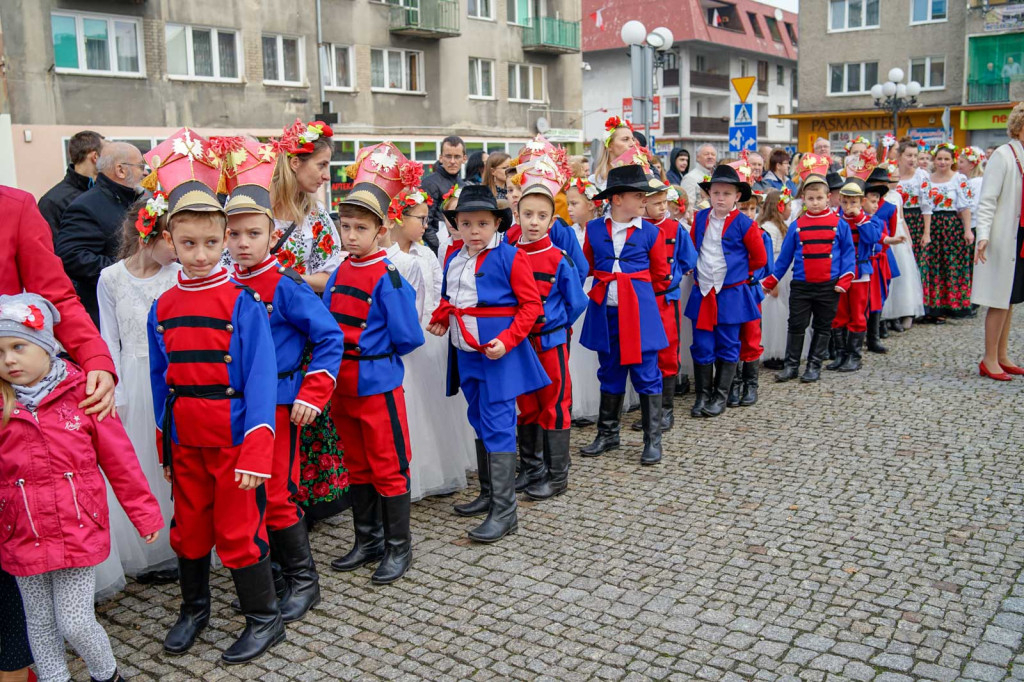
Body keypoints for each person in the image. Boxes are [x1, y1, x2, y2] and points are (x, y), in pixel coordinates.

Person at [146, 128, 284, 664]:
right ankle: (194, 609)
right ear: (170, 241)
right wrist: (166, 448)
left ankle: (264, 618)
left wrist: (256, 450)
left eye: (211, 242)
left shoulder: (242, 302)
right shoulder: (161, 307)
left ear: (225, 238)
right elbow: (162, 383)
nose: (201, 254)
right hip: (188, 444)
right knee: (190, 529)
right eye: (188, 244)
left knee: (237, 531)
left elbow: (260, 379)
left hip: (232, 443)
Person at [0, 292, 163, 682]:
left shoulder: (83, 395)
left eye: (18, 347)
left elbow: (120, 461)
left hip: (77, 531)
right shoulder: (4, 406)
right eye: (0, 351)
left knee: (74, 622)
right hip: (22, 534)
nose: (9, 360)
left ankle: (107, 675)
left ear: (47, 346)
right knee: (38, 624)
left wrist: (144, 513)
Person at [221, 135, 345, 621]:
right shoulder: (226, 286)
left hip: (280, 404)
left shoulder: (286, 286)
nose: (243, 244)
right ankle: (269, 576)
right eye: (234, 235)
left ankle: (303, 581)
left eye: (253, 234)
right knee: (246, 493)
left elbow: (330, 338)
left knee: (277, 493)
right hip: (239, 408)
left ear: (272, 235)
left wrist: (314, 393)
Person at [0, 185, 117, 682]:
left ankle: (17, 666)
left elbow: (57, 295)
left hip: (11, 398)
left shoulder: (14, 207)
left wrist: (94, 359)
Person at [322, 143, 425, 583]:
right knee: (357, 465)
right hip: (342, 384)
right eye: (345, 227)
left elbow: (408, 336)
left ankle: (399, 548)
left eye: (360, 228)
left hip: (377, 383)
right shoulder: (342, 269)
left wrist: (371, 353)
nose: (350, 236)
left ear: (381, 231)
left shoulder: (389, 276)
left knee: (388, 464)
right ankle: (368, 539)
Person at [428, 185, 548, 540]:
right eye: (466, 224)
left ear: (497, 223)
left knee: (497, 422)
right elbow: (451, 298)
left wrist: (508, 339)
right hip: (465, 352)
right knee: (478, 418)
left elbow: (531, 307)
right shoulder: (453, 257)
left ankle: (505, 512)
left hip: (498, 355)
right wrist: (440, 317)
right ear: (456, 225)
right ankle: (488, 493)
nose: (474, 231)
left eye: (482, 223)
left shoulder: (511, 257)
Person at [95, 194, 180, 598]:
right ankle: (147, 549)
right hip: (131, 374)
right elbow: (107, 338)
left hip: (170, 376)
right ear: (153, 236)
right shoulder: (111, 278)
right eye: (175, 241)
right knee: (138, 460)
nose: (182, 250)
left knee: (170, 459)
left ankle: (180, 542)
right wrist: (117, 388)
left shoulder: (177, 276)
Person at [264, 119, 347, 524]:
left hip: (303, 333)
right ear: (295, 163)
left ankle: (302, 505)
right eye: (321, 164)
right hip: (261, 332)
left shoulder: (315, 219)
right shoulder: (256, 213)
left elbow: (332, 274)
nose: (325, 174)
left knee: (305, 418)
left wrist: (287, 281)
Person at [383, 179, 477, 501]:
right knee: (411, 407)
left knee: (436, 405)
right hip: (402, 339)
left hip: (430, 336)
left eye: (427, 218)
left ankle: (440, 466)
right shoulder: (387, 256)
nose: (426, 224)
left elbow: (438, 292)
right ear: (399, 218)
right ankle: (412, 470)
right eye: (420, 219)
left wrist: (438, 319)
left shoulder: (427, 253)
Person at [578, 161, 670, 462]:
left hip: (640, 315)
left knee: (646, 372)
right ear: (617, 199)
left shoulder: (650, 234)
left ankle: (652, 439)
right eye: (638, 195)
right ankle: (608, 433)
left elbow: (659, 275)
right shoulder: (593, 229)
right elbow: (586, 266)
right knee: (609, 370)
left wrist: (636, 297)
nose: (645, 200)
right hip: (607, 314)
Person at [512, 158, 588, 500]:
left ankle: (558, 476)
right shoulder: (508, 254)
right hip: (519, 343)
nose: (534, 222)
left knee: (554, 402)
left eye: (542, 216)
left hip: (550, 341)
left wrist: (555, 326)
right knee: (526, 403)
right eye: (528, 214)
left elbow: (576, 302)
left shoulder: (559, 258)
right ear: (518, 215)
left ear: (552, 220)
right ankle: (532, 469)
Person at [685, 164, 768, 417]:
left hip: (731, 293)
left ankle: (720, 397)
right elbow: (692, 247)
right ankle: (702, 395)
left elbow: (759, 259)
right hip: (703, 291)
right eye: (716, 192)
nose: (720, 198)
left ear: (737, 197)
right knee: (701, 344)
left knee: (729, 343)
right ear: (709, 194)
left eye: (726, 194)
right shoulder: (700, 218)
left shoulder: (745, 224)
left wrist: (736, 275)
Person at [763, 160, 855, 383]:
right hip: (802, 284)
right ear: (803, 199)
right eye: (811, 198)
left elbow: (848, 254)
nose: (815, 203)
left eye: (819, 198)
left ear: (828, 198)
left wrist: (846, 277)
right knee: (795, 325)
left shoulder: (839, 223)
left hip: (828, 285)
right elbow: (784, 257)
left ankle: (814, 366)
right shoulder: (797, 224)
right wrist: (772, 279)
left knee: (823, 326)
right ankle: (791, 365)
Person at [56, 141, 145, 323]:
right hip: (104, 313)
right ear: (121, 170)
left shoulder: (132, 201)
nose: (145, 172)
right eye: (141, 166)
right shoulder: (86, 206)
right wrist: (126, 270)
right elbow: (72, 257)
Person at [633, 173, 696, 426]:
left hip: (666, 298)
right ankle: (650, 411)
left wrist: (674, 275)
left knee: (668, 350)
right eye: (657, 203)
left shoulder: (674, 228)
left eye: (665, 202)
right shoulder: (635, 227)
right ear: (643, 203)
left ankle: (666, 411)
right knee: (645, 352)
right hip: (642, 297)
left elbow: (688, 259)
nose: (663, 207)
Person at [972, 102, 1024, 381]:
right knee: (998, 298)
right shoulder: (1004, 156)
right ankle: (989, 358)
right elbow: (987, 201)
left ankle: (1002, 355)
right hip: (1005, 235)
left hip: (1022, 235)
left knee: (1011, 297)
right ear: (1018, 127)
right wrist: (983, 236)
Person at [827, 178, 882, 373]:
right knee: (839, 314)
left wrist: (858, 217)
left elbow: (873, 238)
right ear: (840, 200)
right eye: (845, 202)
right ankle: (840, 354)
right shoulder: (836, 220)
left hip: (860, 273)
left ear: (862, 202)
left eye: (854, 202)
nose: (849, 206)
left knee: (857, 314)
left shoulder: (870, 220)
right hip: (840, 274)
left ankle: (854, 356)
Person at [921, 143, 974, 322]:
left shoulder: (959, 179)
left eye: (946, 159)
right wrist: (926, 232)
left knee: (953, 264)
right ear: (934, 160)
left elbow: (965, 206)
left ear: (952, 161)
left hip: (952, 225)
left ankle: (955, 304)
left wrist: (968, 230)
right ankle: (935, 306)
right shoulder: (927, 179)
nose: (942, 162)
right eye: (939, 159)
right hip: (933, 223)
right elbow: (926, 206)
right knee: (934, 265)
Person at [565, 177, 603, 422]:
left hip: (592, 288)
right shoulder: (569, 232)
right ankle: (578, 399)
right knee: (576, 351)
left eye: (574, 203)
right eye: (568, 203)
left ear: (591, 204)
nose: (569, 208)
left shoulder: (599, 229)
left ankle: (597, 399)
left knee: (591, 349)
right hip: (575, 290)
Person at [878, 161, 926, 332]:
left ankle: (902, 311)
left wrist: (908, 236)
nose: (895, 182)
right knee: (887, 274)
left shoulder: (897, 196)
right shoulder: (877, 197)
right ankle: (885, 315)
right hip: (886, 234)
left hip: (898, 233)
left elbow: (901, 218)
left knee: (903, 275)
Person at [38, 130, 105, 239]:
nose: (110, 159)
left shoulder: (105, 192)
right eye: (107, 154)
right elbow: (51, 248)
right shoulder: (52, 202)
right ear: (95, 156)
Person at [755, 190, 792, 369]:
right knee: (773, 314)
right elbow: (770, 256)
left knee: (782, 312)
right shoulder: (769, 227)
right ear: (780, 207)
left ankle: (781, 350)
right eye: (789, 205)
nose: (791, 209)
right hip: (775, 274)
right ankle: (772, 352)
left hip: (783, 274)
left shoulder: (781, 225)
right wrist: (772, 281)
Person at [423, 135, 466, 253]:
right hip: (439, 248)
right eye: (448, 156)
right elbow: (426, 224)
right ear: (441, 158)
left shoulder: (464, 185)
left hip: (461, 246)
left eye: (457, 157)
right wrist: (442, 249)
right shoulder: (429, 183)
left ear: (464, 158)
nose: (452, 161)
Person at [895, 137, 933, 265]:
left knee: (915, 259)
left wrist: (926, 233)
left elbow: (927, 206)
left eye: (915, 156)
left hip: (915, 220)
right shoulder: (893, 174)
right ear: (900, 156)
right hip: (896, 219)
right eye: (909, 155)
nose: (913, 159)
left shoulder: (921, 175)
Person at [590, 117, 637, 191]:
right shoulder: (594, 181)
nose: (633, 144)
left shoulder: (643, 173)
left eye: (633, 139)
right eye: (625, 139)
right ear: (609, 146)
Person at [957, 146, 986, 216]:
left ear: (971, 166)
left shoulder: (977, 182)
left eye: (961, 162)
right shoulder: (965, 180)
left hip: (973, 223)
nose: (958, 165)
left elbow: (973, 207)